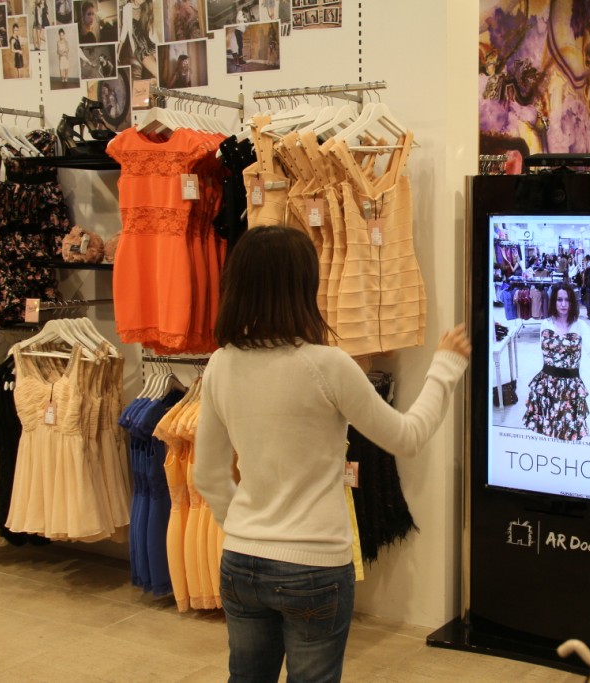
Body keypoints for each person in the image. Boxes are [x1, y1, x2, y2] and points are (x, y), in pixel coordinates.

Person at [193, 227, 469, 683]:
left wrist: (246, 527)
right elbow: (408, 436)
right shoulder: (327, 365)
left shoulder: (222, 363)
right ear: (303, 285)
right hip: (314, 564)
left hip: (241, 559)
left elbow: (207, 475)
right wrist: (444, 368)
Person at [522, 281, 590, 441]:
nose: (563, 304)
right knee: (546, 433)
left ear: (573, 302)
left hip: (570, 389)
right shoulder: (545, 324)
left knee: (568, 436)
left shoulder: (580, 326)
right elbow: (543, 357)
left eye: (567, 300)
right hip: (547, 387)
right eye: (559, 299)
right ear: (553, 301)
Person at [120, 0, 157, 79]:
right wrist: (118, 52)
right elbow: (124, 31)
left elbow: (152, 33)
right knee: (158, 72)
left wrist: (159, 45)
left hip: (151, 44)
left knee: (163, 68)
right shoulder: (127, 8)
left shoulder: (146, 7)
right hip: (141, 49)